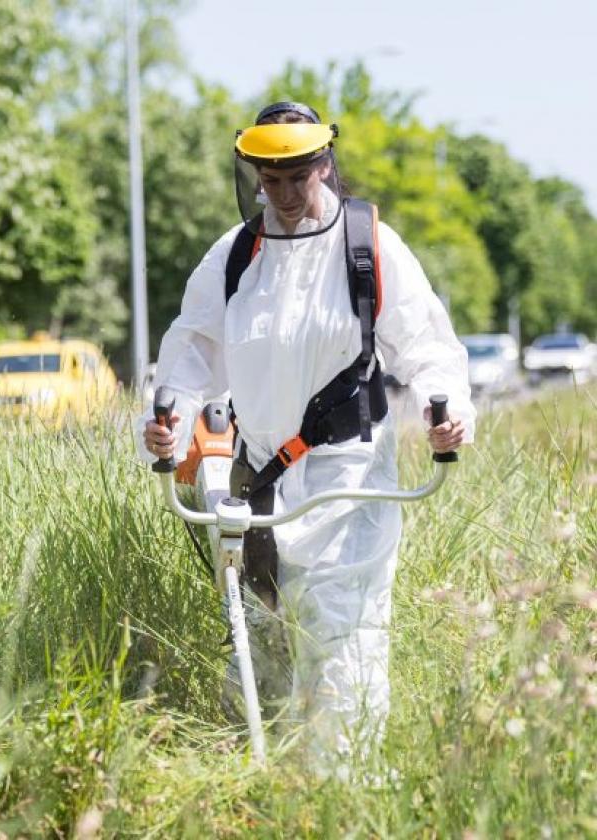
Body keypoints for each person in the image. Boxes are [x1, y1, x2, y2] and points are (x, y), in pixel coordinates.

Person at [135, 100, 475, 767]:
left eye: (299, 175)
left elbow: (430, 348)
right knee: (261, 651)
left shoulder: (367, 244)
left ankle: (343, 805)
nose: (287, 194)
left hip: (348, 483)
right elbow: (193, 351)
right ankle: (267, 799)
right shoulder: (236, 256)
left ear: (324, 164)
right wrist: (167, 418)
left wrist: (448, 411)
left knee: (343, 647)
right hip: (256, 482)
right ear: (255, 176)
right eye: (272, 179)